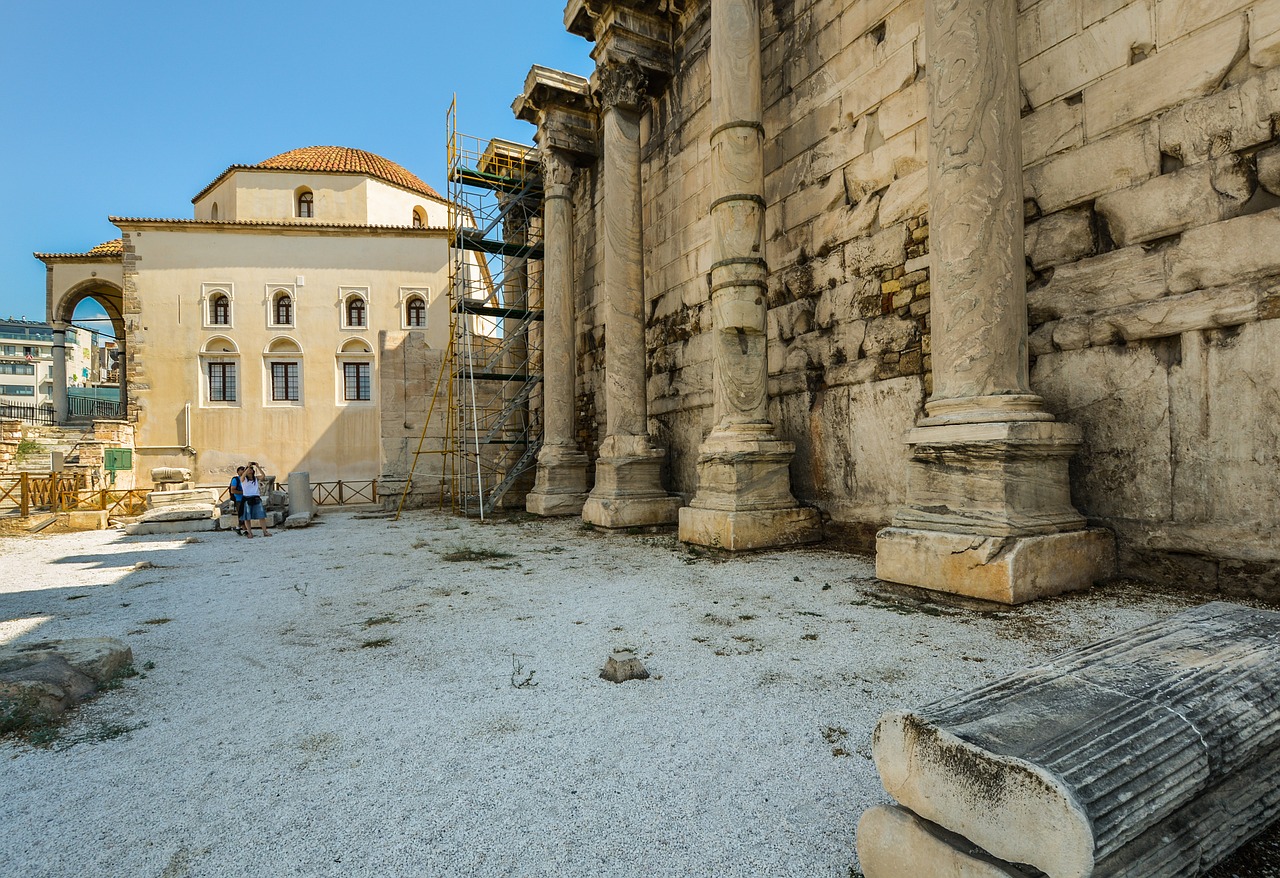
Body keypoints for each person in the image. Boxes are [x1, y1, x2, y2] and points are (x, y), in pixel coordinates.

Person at [240, 464, 272, 538]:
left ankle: (265, 531)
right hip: (247, 499)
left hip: (256, 498)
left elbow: (263, 476)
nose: (250, 470)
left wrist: (257, 466)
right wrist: (247, 467)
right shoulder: (243, 479)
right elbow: (242, 476)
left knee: (261, 516)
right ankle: (250, 533)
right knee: (247, 517)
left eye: (251, 469)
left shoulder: (256, 478)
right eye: (248, 470)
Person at [229, 466, 246, 536]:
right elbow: (232, 490)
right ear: (238, 472)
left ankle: (238, 527)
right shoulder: (235, 480)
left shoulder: (246, 479)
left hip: (246, 498)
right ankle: (245, 530)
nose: (243, 471)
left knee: (244, 515)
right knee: (242, 515)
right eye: (241, 470)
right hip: (239, 499)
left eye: (244, 470)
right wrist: (244, 492)